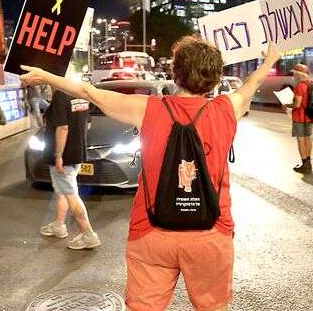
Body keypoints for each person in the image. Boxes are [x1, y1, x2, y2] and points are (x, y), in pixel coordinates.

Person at [20, 36, 281, 311]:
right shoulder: (226, 109)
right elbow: (251, 84)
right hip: (210, 234)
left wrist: (46, 76)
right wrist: (268, 63)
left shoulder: (148, 108)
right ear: (216, 78)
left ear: (175, 72)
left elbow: (89, 92)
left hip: (152, 231)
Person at [39, 89, 100, 250]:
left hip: (63, 156)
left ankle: (88, 234)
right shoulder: (78, 91)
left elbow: (63, 128)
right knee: (64, 192)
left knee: (71, 195)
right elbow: (87, 123)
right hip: (77, 152)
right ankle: (59, 225)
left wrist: (59, 156)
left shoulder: (60, 94)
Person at [283, 64, 313, 174]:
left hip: (300, 117)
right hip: (310, 116)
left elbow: (297, 104)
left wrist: (287, 105)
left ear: (299, 74)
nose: (293, 75)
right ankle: (308, 162)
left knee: (301, 139)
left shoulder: (299, 86)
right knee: (307, 138)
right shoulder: (312, 84)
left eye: (295, 73)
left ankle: (304, 164)